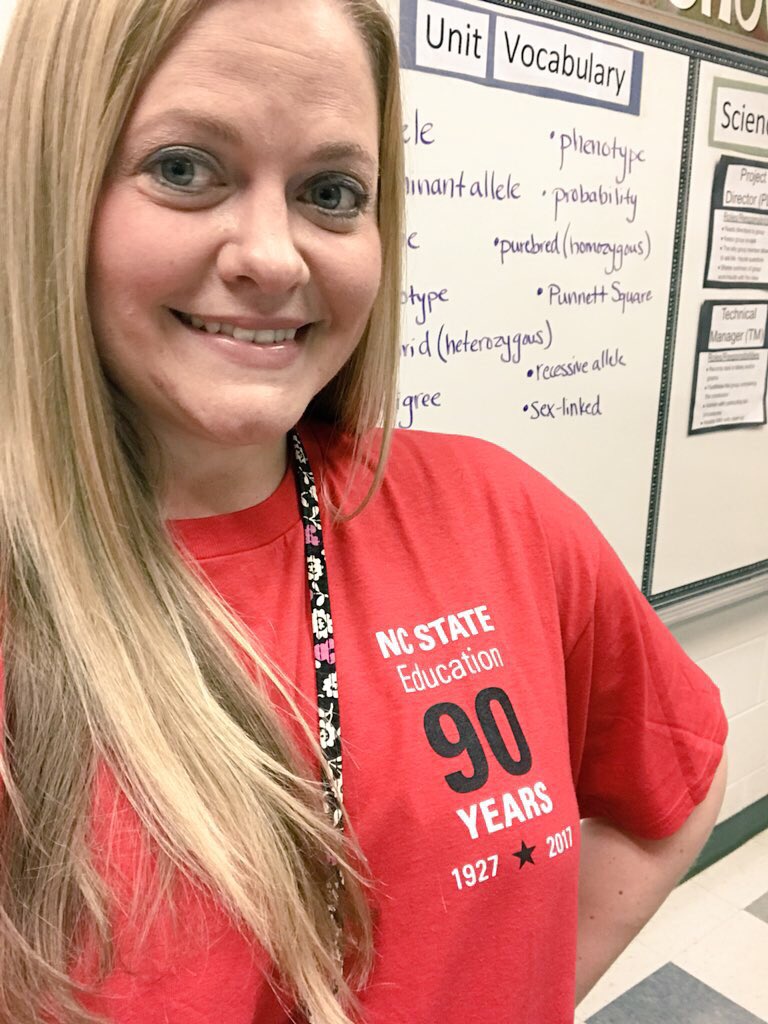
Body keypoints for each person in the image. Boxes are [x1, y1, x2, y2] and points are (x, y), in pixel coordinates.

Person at [0, 0, 727, 1022]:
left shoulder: (497, 515)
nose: (275, 256)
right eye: (183, 169)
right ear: (52, 185)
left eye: (331, 192)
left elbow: (675, 791)